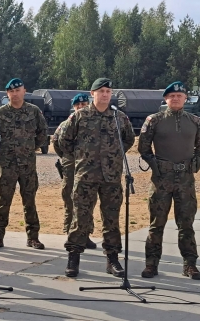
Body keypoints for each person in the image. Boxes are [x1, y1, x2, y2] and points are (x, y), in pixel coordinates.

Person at [57, 78, 135, 278]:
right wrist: (80, 157)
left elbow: (128, 139)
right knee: (80, 218)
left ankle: (113, 260)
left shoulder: (119, 118)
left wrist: (113, 157)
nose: (105, 94)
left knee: (111, 220)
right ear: (92, 94)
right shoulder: (80, 116)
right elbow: (63, 141)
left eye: (108, 91)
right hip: (85, 176)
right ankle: (73, 259)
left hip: (111, 178)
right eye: (101, 91)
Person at [138, 81, 200, 280]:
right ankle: (151, 264)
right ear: (165, 99)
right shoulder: (154, 120)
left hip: (186, 180)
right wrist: (155, 164)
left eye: (179, 95)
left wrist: (194, 160)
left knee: (186, 224)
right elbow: (143, 147)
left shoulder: (195, 121)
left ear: (185, 98)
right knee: (156, 224)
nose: (175, 98)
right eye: (172, 96)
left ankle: (190, 264)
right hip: (161, 180)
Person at [0, 78, 48, 250]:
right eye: (11, 91)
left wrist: (31, 147)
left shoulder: (34, 111)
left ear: (24, 91)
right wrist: (2, 148)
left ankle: (33, 237)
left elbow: (43, 134)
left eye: (17, 90)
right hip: (7, 166)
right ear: (7, 93)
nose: (14, 94)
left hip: (28, 166)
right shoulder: (0, 113)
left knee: (29, 202)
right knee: (3, 202)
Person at [52, 93, 97, 250]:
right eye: (78, 105)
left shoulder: (93, 123)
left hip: (88, 167)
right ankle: (71, 233)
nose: (81, 107)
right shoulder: (66, 123)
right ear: (73, 107)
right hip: (71, 167)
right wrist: (68, 157)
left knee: (89, 201)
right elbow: (56, 141)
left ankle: (86, 234)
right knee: (70, 199)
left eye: (84, 104)